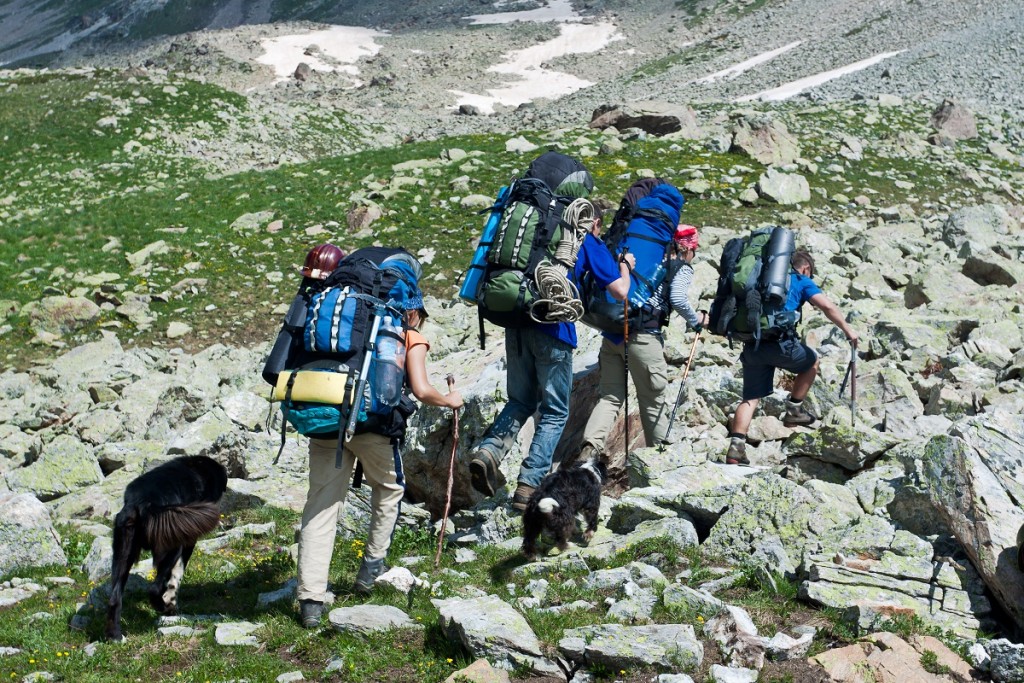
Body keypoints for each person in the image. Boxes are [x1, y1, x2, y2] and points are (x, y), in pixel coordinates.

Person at [296, 297, 463, 628]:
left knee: (321, 505)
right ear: (412, 312)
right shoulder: (407, 334)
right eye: (421, 319)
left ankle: (310, 601)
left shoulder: (343, 330)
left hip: (327, 419)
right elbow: (421, 389)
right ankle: (370, 572)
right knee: (389, 489)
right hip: (373, 428)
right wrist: (450, 400)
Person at [468, 211, 632, 512]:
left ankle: (489, 451)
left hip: (517, 321)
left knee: (520, 400)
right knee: (555, 411)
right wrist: (625, 268)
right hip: (554, 327)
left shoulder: (540, 233)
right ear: (593, 222)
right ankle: (529, 485)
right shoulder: (586, 240)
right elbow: (620, 291)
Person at [577, 224, 707, 477]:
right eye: (695, 247)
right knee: (652, 402)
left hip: (614, 334)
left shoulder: (648, 260)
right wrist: (696, 321)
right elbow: (679, 299)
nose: (695, 252)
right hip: (644, 339)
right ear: (687, 247)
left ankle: (589, 451)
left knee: (611, 397)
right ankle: (660, 471)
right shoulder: (680, 267)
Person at [725, 250, 859, 465]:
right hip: (781, 345)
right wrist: (847, 330)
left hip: (753, 345)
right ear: (805, 268)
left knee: (750, 398)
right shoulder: (800, 280)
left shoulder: (760, 280)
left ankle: (736, 447)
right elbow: (826, 306)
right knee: (812, 361)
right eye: (810, 273)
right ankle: (794, 410)